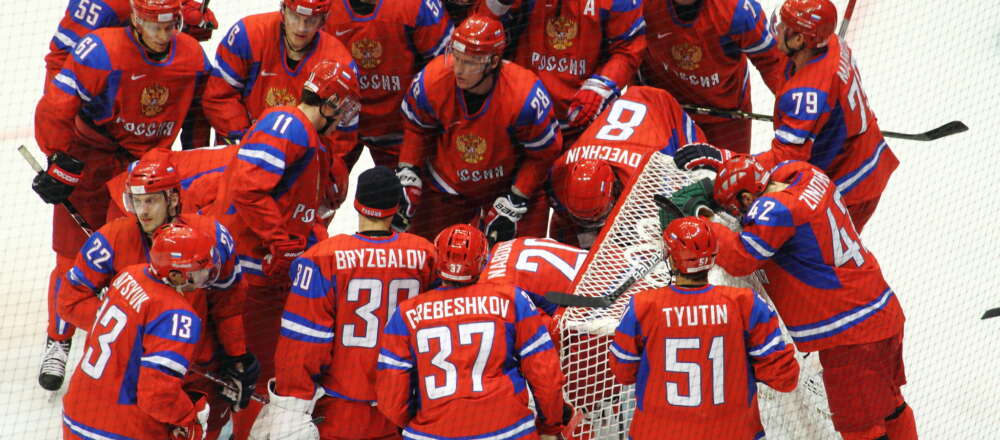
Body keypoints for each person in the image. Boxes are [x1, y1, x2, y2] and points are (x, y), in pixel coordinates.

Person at [33, 0, 213, 392]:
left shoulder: (192, 55)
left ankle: (134, 335)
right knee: (71, 257)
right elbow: (56, 106)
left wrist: (192, 158)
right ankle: (58, 339)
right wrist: (58, 159)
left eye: (171, 26)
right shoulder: (99, 49)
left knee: (141, 253)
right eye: (154, 26)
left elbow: (201, 111)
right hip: (90, 156)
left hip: (148, 167)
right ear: (135, 18)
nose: (163, 36)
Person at [672, 155, 916, 439]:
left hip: (851, 335)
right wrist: (727, 164)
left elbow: (742, 258)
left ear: (749, 197)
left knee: (861, 429)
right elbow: (769, 163)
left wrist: (707, 222)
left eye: (738, 210)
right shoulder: (806, 173)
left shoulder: (775, 209)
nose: (741, 218)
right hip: (882, 310)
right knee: (891, 406)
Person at [208, 59, 361, 438]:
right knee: (247, 371)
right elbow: (248, 189)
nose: (343, 119)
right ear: (327, 104)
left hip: (264, 274)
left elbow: (295, 212)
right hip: (249, 274)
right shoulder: (289, 124)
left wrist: (304, 248)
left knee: (254, 372)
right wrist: (281, 243)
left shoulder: (308, 138)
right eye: (341, 109)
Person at [58, 158, 255, 439]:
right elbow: (70, 301)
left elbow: (228, 305)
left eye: (151, 201)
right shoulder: (111, 239)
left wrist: (236, 356)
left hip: (196, 365)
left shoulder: (211, 237)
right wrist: (134, 332)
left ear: (173, 197)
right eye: (137, 201)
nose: (143, 211)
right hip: (134, 376)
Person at [674, 0, 896, 231]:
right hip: (858, 152)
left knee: (815, 257)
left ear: (800, 40)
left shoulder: (807, 93)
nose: (777, 29)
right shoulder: (831, 43)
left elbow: (787, 157)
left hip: (850, 182)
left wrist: (723, 158)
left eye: (785, 26)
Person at [251, 166, 437, 440]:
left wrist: (292, 402)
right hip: (404, 405)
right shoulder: (426, 255)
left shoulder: (323, 257)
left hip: (339, 409)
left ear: (357, 204)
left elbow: (303, 341)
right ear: (397, 206)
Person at [608, 216, 799, 439]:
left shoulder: (642, 306)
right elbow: (785, 379)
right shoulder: (745, 303)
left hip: (658, 432)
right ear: (714, 254)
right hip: (734, 431)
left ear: (671, 258)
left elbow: (623, 373)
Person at [377, 224, 569, 439]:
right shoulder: (511, 299)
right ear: (483, 260)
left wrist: (420, 425)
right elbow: (545, 375)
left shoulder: (405, 313)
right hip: (508, 430)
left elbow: (390, 396)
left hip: (432, 432)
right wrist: (550, 426)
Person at [395, 15, 562, 244]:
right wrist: (408, 172)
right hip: (446, 187)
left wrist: (516, 197)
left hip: (505, 188)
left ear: (493, 62)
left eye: (470, 62)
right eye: (457, 58)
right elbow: (416, 128)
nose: (459, 70)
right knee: (425, 254)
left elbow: (543, 154)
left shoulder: (524, 95)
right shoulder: (432, 80)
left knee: (512, 266)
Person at [61, 224, 219, 440]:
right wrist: (188, 417)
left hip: (77, 411)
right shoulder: (178, 316)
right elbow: (156, 396)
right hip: (123, 428)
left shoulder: (129, 274)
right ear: (176, 275)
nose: (206, 272)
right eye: (199, 268)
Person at [547, 86, 706, 246]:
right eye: (583, 221)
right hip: (625, 139)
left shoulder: (649, 181)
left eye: (598, 219)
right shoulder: (559, 172)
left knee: (700, 173)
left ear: (616, 189)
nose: (592, 226)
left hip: (660, 109)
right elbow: (561, 223)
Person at [203, 0, 358, 155]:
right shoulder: (248, 34)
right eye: (295, 17)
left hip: (299, 162)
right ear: (283, 9)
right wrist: (248, 144)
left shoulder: (339, 63)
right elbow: (219, 97)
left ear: (323, 19)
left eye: (311, 20)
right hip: (239, 149)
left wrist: (303, 159)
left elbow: (340, 138)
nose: (301, 28)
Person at [479, 0, 647, 136]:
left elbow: (627, 48)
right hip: (520, 118)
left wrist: (602, 87)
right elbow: (480, 38)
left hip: (583, 120)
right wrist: (500, 3)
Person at [640, 0, 785, 153]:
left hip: (726, 117)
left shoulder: (737, 11)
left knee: (731, 174)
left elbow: (774, 63)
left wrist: (793, 108)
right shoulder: (641, 4)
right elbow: (623, 49)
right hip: (659, 112)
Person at [325, 0, 453, 169]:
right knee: (315, 183)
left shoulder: (416, 6)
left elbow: (447, 72)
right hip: (341, 124)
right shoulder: (325, 8)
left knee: (403, 191)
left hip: (403, 129)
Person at [42, 0, 217, 93]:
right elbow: (60, 59)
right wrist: (58, 117)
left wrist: (182, 15)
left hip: (145, 87)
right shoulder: (102, 4)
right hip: (103, 101)